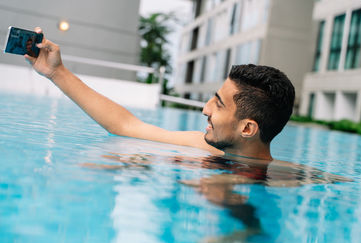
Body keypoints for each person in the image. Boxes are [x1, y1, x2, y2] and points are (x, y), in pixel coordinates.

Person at [25, 27, 294, 164]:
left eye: (219, 104)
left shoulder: (287, 178)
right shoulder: (203, 146)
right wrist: (57, 73)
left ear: (248, 128)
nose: (205, 109)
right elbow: (126, 126)